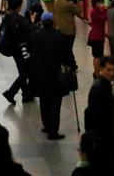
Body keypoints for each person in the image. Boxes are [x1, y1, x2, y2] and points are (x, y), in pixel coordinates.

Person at [28, 11, 72, 140]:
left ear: (41, 22)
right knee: (55, 103)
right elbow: (67, 55)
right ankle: (53, 131)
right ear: (53, 22)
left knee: (44, 100)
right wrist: (71, 65)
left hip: (39, 74)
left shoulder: (34, 36)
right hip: (55, 75)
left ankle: (46, 125)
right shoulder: (60, 36)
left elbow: (29, 53)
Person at [84, 55, 114, 175]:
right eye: (108, 70)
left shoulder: (105, 84)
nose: (112, 73)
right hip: (103, 136)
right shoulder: (99, 87)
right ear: (101, 69)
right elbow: (95, 115)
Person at [0, 0, 33, 105]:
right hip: (21, 48)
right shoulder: (19, 19)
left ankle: (26, 94)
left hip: (13, 48)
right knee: (26, 72)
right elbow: (29, 30)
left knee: (22, 71)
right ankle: (11, 92)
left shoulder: (7, 17)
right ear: (18, 6)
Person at [53, 0, 82, 66]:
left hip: (59, 28)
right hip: (69, 30)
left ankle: (69, 63)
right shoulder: (69, 4)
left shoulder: (56, 0)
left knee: (64, 48)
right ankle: (71, 64)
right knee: (68, 48)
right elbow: (79, 12)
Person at [87, 0, 108, 77]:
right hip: (96, 37)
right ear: (95, 3)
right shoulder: (95, 12)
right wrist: (105, 9)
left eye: (102, 2)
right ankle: (97, 73)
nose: (101, 3)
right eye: (100, 2)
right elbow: (104, 18)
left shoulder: (97, 10)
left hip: (98, 36)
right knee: (97, 56)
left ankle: (97, 72)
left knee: (98, 56)